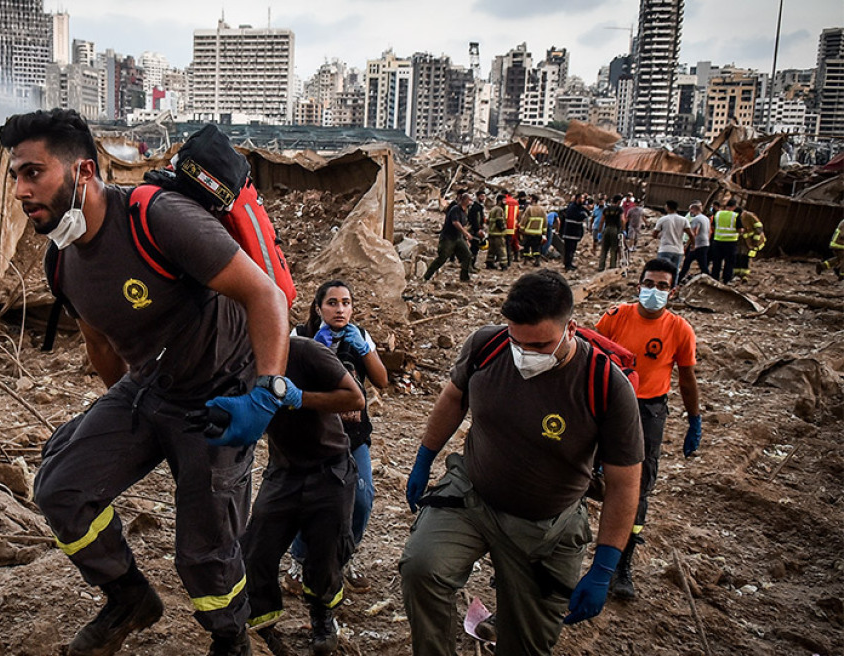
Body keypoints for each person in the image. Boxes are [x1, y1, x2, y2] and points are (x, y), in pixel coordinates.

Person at [3, 109, 295, 656]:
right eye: (15, 174)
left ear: (83, 170)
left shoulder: (157, 217)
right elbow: (100, 341)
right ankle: (129, 598)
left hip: (220, 392)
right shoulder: (62, 260)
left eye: (33, 172)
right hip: (151, 387)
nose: (20, 189)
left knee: (204, 558)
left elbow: (267, 297)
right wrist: (118, 422)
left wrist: (267, 391)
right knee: (62, 487)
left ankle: (231, 638)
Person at [399, 269, 643, 656]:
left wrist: (604, 566)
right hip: (472, 497)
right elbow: (452, 399)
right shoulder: (489, 345)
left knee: (527, 643)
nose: (526, 354)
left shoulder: (605, 385)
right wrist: (423, 459)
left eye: (542, 345)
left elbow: (625, 483)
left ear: (571, 330)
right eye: (519, 341)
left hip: (546, 522)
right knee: (421, 568)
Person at [242, 336, 365, 656]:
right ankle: (263, 624)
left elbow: (355, 398)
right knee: (256, 551)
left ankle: (322, 616)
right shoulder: (238, 360)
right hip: (283, 471)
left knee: (325, 553)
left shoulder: (304, 352)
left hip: (329, 469)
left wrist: (300, 398)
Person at [594, 257, 701, 599]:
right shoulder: (615, 317)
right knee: (576, 475)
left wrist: (694, 419)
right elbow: (588, 358)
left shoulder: (679, 330)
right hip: (607, 403)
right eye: (649, 284)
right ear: (638, 285)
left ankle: (619, 565)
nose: (654, 291)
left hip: (648, 411)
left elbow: (686, 378)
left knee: (638, 490)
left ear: (674, 291)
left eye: (662, 286)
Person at [289, 280, 389, 593]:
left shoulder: (358, 336)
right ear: (319, 308)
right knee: (304, 498)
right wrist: (313, 351)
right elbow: (286, 382)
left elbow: (382, 381)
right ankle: (299, 560)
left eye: (346, 302)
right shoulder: (300, 335)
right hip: (310, 435)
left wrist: (364, 349)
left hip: (351, 436)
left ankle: (345, 557)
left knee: (360, 499)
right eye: (332, 302)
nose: (340, 309)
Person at [424, 193, 475, 283]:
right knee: (442, 257)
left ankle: (464, 277)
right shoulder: (455, 209)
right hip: (448, 237)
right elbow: (455, 223)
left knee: (467, 255)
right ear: (465, 200)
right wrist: (466, 233)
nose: (471, 202)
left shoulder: (465, 212)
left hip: (458, 238)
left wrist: (465, 239)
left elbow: (464, 225)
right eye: (469, 200)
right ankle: (427, 276)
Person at [652, 200, 692, 277]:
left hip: (665, 249)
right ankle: (673, 287)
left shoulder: (663, 219)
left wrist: (660, 236)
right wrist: (690, 245)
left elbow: (654, 234)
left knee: (662, 270)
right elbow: (691, 234)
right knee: (675, 271)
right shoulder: (683, 220)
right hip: (678, 250)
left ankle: (663, 287)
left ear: (667, 207)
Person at [709, 198, 741, 284]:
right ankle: (726, 279)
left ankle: (714, 278)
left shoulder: (718, 214)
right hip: (731, 242)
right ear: (734, 207)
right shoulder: (735, 215)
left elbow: (712, 227)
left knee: (716, 261)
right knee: (729, 262)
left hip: (717, 241)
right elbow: (739, 229)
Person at [678, 201, 711, 283]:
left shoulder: (696, 219)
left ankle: (677, 280)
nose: (690, 213)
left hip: (697, 245)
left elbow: (693, 233)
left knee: (690, 264)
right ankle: (678, 279)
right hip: (704, 244)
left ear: (694, 209)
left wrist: (689, 244)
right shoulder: (706, 218)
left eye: (691, 211)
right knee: (699, 264)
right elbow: (709, 231)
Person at [734, 208, 765, 281]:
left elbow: (759, 227)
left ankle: (744, 275)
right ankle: (736, 273)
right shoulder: (736, 216)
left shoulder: (749, 216)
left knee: (745, 257)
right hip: (739, 240)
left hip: (748, 241)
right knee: (737, 256)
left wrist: (755, 239)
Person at [559, 193, 588, 271]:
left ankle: (569, 263)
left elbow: (587, 213)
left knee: (572, 249)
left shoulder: (579, 208)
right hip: (570, 233)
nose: (583, 200)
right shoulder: (572, 207)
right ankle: (567, 265)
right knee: (569, 250)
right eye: (581, 198)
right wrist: (583, 215)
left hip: (574, 233)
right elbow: (578, 216)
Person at [597, 195, 625, 272]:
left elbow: (602, 221)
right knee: (613, 249)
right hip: (615, 229)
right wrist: (623, 230)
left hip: (606, 228)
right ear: (619, 201)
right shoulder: (619, 209)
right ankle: (612, 267)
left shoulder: (606, 209)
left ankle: (601, 267)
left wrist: (599, 232)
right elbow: (622, 220)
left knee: (604, 249)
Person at [520, 194, 547, 265]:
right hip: (538, 232)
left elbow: (524, 219)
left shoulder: (529, 208)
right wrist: (544, 232)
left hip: (528, 232)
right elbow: (545, 221)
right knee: (536, 247)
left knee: (526, 246)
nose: (529, 200)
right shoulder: (542, 209)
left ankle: (525, 261)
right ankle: (537, 261)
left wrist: (521, 229)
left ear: (534, 200)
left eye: (531, 198)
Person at [816, 216, 844, 280]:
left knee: (839, 258)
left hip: (837, 244)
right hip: (839, 244)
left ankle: (822, 266)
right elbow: (842, 235)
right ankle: (842, 275)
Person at [486, 195, 509, 270]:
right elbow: (499, 220)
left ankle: (489, 263)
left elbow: (488, 220)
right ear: (499, 201)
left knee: (492, 249)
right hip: (498, 233)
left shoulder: (493, 209)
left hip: (491, 232)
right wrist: (503, 228)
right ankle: (504, 264)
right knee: (501, 249)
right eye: (504, 200)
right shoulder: (499, 209)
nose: (505, 202)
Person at [467, 190, 488, 271]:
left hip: (477, 229)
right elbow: (475, 219)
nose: (483, 198)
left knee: (476, 248)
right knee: (474, 248)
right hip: (474, 231)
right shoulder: (476, 207)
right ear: (478, 196)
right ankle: (470, 266)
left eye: (484, 196)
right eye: (482, 196)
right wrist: (478, 229)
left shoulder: (479, 206)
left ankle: (472, 265)